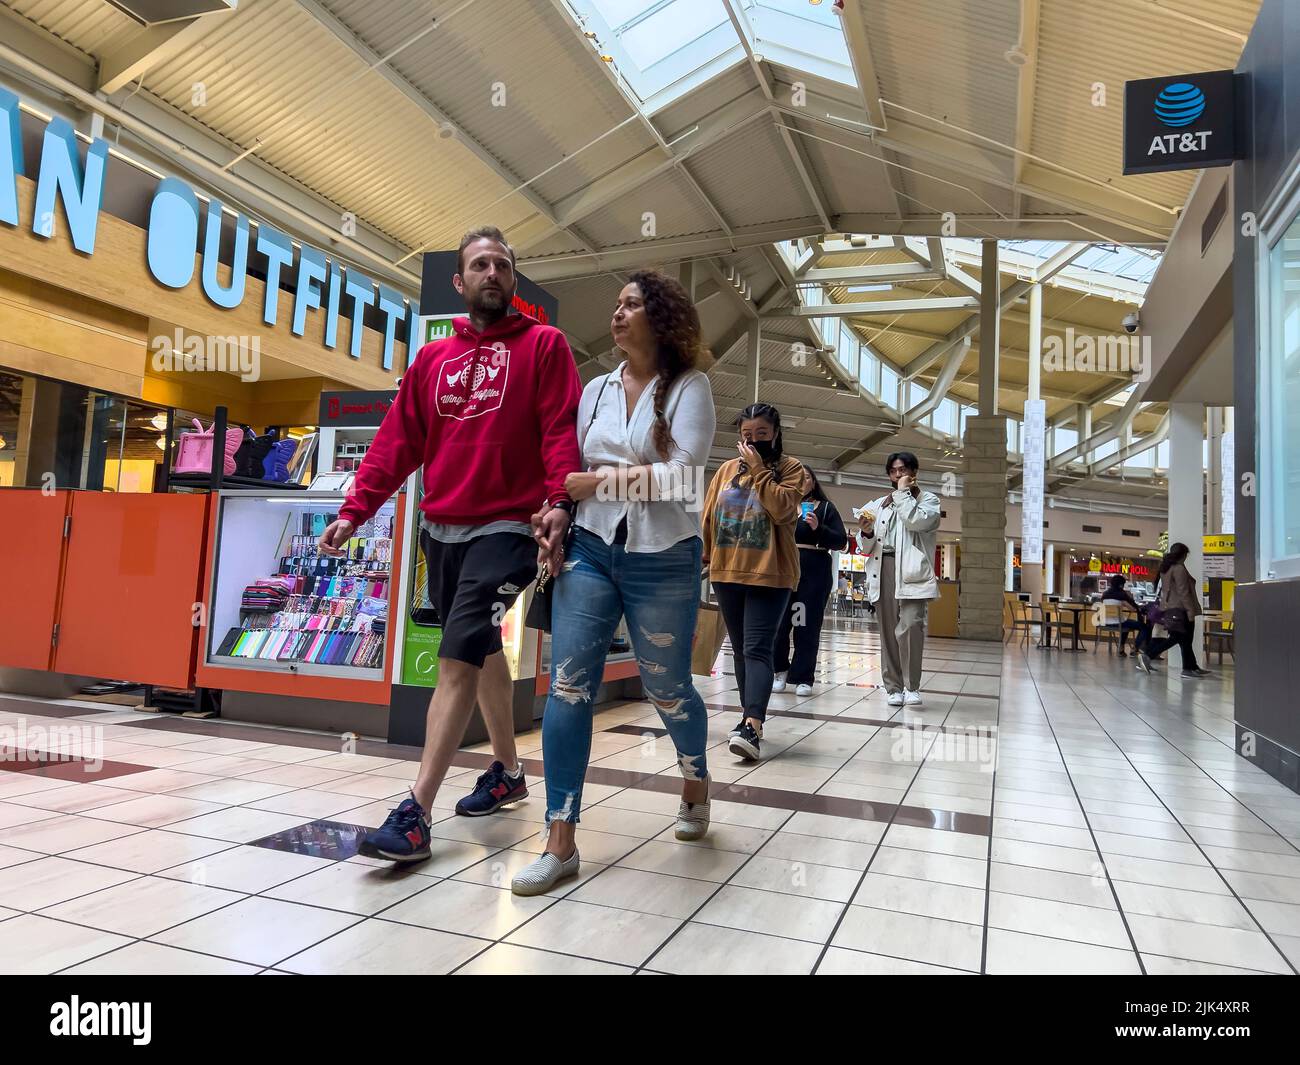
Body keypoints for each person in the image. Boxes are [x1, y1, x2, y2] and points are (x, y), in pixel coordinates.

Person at [318, 226, 581, 863]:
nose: (493, 272)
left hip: (509, 530)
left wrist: (559, 504)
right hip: (442, 529)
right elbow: (396, 442)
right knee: (482, 646)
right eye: (479, 265)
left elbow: (558, 431)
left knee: (458, 654)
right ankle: (509, 772)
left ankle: (416, 813)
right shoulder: (433, 361)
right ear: (459, 283)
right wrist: (356, 512)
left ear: (512, 280)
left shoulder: (545, 345)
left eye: (503, 264)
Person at [511, 270, 716, 896]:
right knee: (568, 687)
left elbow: (683, 481)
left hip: (664, 556)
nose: (618, 313)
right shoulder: (595, 389)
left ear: (661, 318)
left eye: (632, 305)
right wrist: (559, 510)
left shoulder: (690, 387)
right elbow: (567, 471)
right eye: (617, 304)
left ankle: (696, 778)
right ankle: (560, 838)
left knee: (667, 685)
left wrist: (597, 484)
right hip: (590, 551)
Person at [701, 403, 803, 761]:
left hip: (770, 573)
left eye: (761, 434)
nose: (754, 440)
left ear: (775, 434)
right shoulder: (726, 470)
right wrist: (706, 553)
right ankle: (749, 719)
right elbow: (710, 513)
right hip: (727, 570)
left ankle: (753, 722)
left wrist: (761, 471)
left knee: (758, 648)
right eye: (747, 435)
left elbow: (784, 510)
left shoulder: (792, 469)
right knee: (741, 650)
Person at [856, 451, 941, 707]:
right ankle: (893, 686)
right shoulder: (878, 504)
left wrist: (903, 494)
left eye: (902, 470)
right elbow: (866, 546)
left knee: (911, 626)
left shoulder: (928, 500)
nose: (898, 475)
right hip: (884, 568)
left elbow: (916, 522)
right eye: (893, 471)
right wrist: (866, 531)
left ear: (914, 472)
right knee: (888, 632)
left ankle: (911, 685)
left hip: (913, 570)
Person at [773, 465, 848, 696]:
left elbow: (841, 541)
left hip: (812, 571)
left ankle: (803, 677)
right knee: (779, 624)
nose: (801, 481)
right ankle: (779, 670)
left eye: (806, 478)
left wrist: (819, 528)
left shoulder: (825, 508)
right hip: (783, 570)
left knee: (805, 624)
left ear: (813, 482)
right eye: (797, 477)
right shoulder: (782, 504)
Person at [1137, 542, 1212, 678]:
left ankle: (1190, 667)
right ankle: (1148, 655)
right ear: (1182, 555)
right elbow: (1183, 592)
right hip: (1182, 609)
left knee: (1185, 640)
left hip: (1171, 608)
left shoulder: (1166, 569)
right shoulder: (1178, 568)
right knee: (1179, 637)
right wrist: (1190, 611)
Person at [1100, 573, 1144, 656]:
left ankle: (1121, 650)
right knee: (1144, 627)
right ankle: (1135, 649)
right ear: (1121, 585)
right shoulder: (1122, 595)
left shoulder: (1105, 594)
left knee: (1126, 624)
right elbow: (1133, 609)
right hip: (1118, 622)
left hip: (1106, 622)